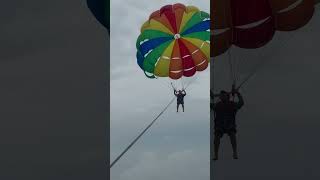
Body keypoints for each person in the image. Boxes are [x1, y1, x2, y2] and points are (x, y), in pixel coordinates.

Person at [211, 87, 244, 160]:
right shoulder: (217, 105)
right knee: (217, 137)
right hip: (220, 124)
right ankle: (216, 154)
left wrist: (237, 93)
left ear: (227, 97)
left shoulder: (232, 104)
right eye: (221, 96)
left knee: (232, 134)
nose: (222, 97)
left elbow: (241, 103)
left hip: (229, 123)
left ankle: (235, 152)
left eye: (223, 96)